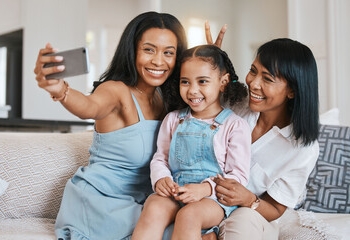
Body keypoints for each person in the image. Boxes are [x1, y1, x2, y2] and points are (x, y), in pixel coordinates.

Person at [33, 11, 188, 240]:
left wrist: (207, 65)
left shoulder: (167, 99)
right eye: (149, 49)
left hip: (145, 204)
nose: (158, 61)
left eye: (169, 53)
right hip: (102, 205)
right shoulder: (116, 91)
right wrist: (60, 89)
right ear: (132, 50)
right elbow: (88, 106)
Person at [204, 34, 320, 239]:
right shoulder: (236, 103)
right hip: (202, 198)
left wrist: (248, 199)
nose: (253, 84)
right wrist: (209, 65)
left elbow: (276, 208)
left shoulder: (302, 148)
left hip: (249, 214)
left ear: (292, 91)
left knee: (243, 222)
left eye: (267, 79)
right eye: (252, 71)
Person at [132, 44, 251, 240]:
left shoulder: (235, 125)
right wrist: (162, 178)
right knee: (153, 206)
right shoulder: (173, 119)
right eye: (185, 82)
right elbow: (160, 158)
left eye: (202, 81)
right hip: (176, 192)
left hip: (213, 199)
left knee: (189, 214)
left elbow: (238, 176)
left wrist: (205, 189)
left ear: (223, 82)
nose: (193, 90)